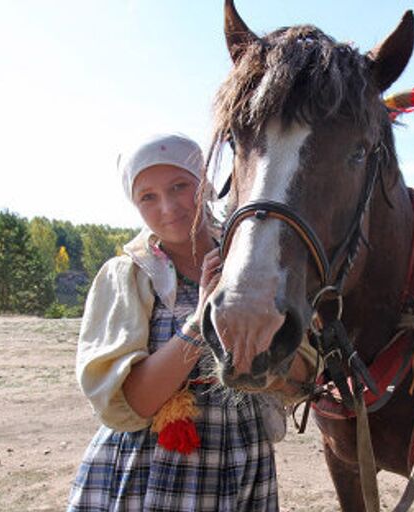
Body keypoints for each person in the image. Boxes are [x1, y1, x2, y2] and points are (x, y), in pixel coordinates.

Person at [68, 133, 279, 511]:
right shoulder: (129, 276)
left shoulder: (250, 263)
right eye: (147, 196)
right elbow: (138, 401)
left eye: (179, 186)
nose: (167, 207)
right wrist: (200, 320)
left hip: (239, 462)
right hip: (148, 473)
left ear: (205, 184)